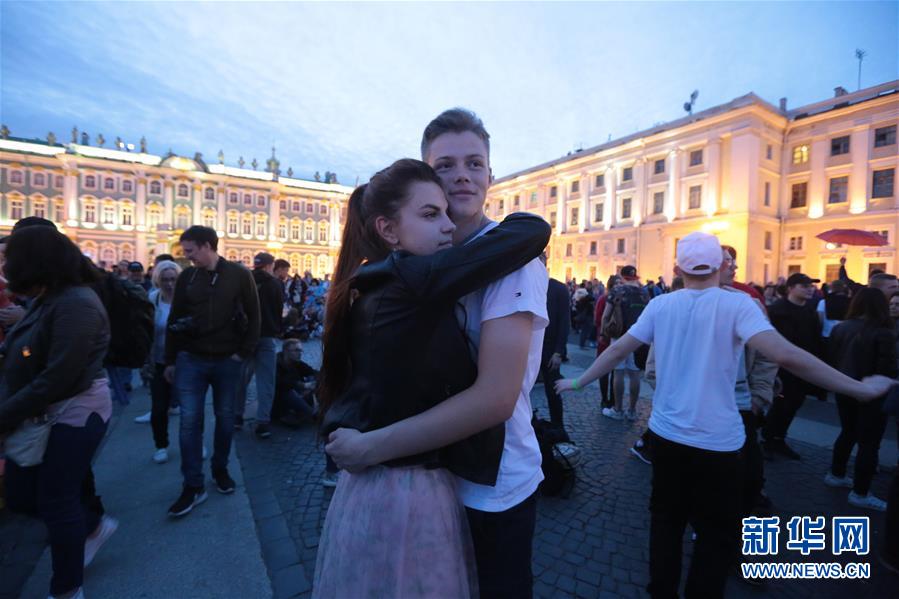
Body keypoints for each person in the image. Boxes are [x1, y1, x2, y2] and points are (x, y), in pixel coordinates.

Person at [556, 231, 894, 599]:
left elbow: (617, 350)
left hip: (667, 437)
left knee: (666, 522)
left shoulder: (661, 306)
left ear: (677, 269)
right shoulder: (738, 306)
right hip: (720, 443)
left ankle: (662, 592)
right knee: (715, 532)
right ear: (719, 266)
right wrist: (858, 388)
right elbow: (787, 356)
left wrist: (578, 382)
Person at [326, 109, 550, 598]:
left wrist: (372, 446)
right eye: (445, 165)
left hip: (492, 486)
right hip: (431, 479)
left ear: (491, 175)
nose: (462, 175)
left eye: (475, 163)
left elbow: (496, 398)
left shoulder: (512, 262)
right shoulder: (421, 258)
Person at [0, 226, 116, 599]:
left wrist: (5, 414)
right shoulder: (49, 297)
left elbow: (58, 378)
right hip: (44, 410)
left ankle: (67, 588)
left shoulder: (76, 303)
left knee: (56, 500)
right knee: (23, 495)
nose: (5, 265)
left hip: (73, 412)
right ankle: (91, 525)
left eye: (10, 258)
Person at [163, 225, 261, 517]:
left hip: (226, 361)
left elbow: (254, 316)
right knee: (189, 423)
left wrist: (242, 353)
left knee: (225, 418)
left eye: (191, 251)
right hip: (191, 360)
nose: (187, 256)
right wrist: (170, 360)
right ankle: (193, 484)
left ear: (207, 246)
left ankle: (220, 469)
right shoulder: (188, 277)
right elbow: (175, 317)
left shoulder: (239, 275)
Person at [824, 288, 898, 511]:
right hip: (872, 392)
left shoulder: (840, 327)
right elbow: (886, 368)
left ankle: (836, 473)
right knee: (869, 443)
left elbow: (831, 358)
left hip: (844, 388)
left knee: (848, 432)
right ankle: (861, 492)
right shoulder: (883, 332)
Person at [762, 272, 823, 460]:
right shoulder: (777, 310)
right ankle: (768, 439)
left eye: (811, 286)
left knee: (794, 404)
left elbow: (814, 340)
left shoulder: (810, 311)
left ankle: (779, 438)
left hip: (803, 368)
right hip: (781, 368)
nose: (809, 289)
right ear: (790, 288)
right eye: (804, 286)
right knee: (780, 405)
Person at [234, 252, 283, 439]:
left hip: (245, 338)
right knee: (266, 381)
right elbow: (278, 309)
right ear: (270, 265)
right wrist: (277, 328)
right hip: (266, 335)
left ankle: (237, 416)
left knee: (240, 378)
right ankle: (262, 422)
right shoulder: (275, 284)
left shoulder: (243, 281)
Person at [600, 265, 649, 420]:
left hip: (619, 336)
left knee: (619, 373)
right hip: (638, 337)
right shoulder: (644, 293)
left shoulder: (617, 291)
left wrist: (603, 333)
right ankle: (632, 410)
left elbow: (606, 315)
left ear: (622, 277)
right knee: (635, 375)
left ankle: (618, 409)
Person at [145, 260, 182, 464]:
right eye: (165, 280)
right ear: (158, 280)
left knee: (190, 408)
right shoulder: (152, 300)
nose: (169, 284)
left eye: (173, 279)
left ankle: (195, 442)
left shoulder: (186, 300)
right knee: (159, 408)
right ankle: (161, 445)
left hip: (185, 363)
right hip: (159, 362)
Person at [540, 254, 570, 429]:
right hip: (528, 348)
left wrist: (559, 352)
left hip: (550, 349)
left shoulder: (558, 288)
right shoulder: (527, 287)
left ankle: (558, 427)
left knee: (552, 391)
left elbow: (564, 322)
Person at [272, 338, 317, 426]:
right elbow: (279, 383)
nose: (300, 353)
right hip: (280, 401)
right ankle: (313, 414)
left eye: (300, 350)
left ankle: (322, 408)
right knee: (288, 392)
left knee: (312, 378)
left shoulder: (296, 362)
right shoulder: (276, 364)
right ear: (286, 351)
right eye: (296, 350)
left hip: (297, 395)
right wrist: (302, 385)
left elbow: (312, 371)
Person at [594, 275, 621, 410]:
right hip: (605, 338)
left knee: (616, 371)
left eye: (620, 283)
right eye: (616, 283)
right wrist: (603, 332)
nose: (618, 286)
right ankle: (604, 398)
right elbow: (598, 318)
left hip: (617, 339)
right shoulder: (603, 299)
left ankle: (613, 399)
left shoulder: (622, 300)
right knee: (604, 370)